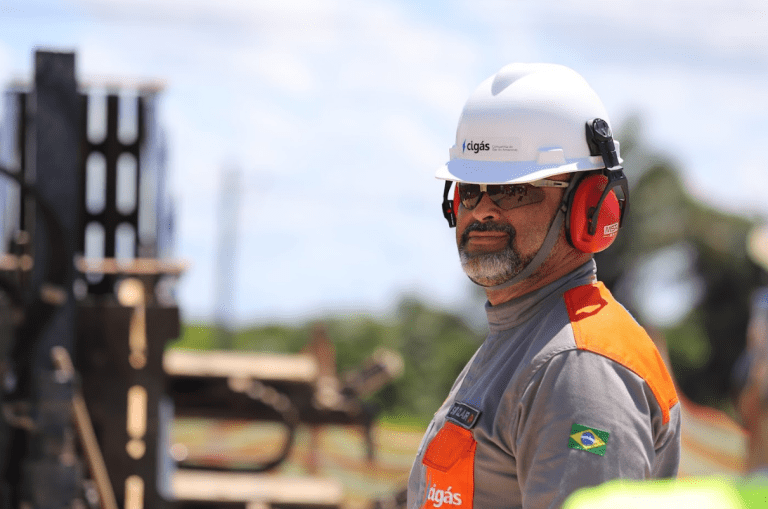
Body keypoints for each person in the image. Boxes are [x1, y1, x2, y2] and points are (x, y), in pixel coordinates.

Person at [406, 63, 681, 509]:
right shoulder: (525, 339)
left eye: (513, 190)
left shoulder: (580, 368)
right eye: (471, 189)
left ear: (587, 204)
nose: (484, 210)